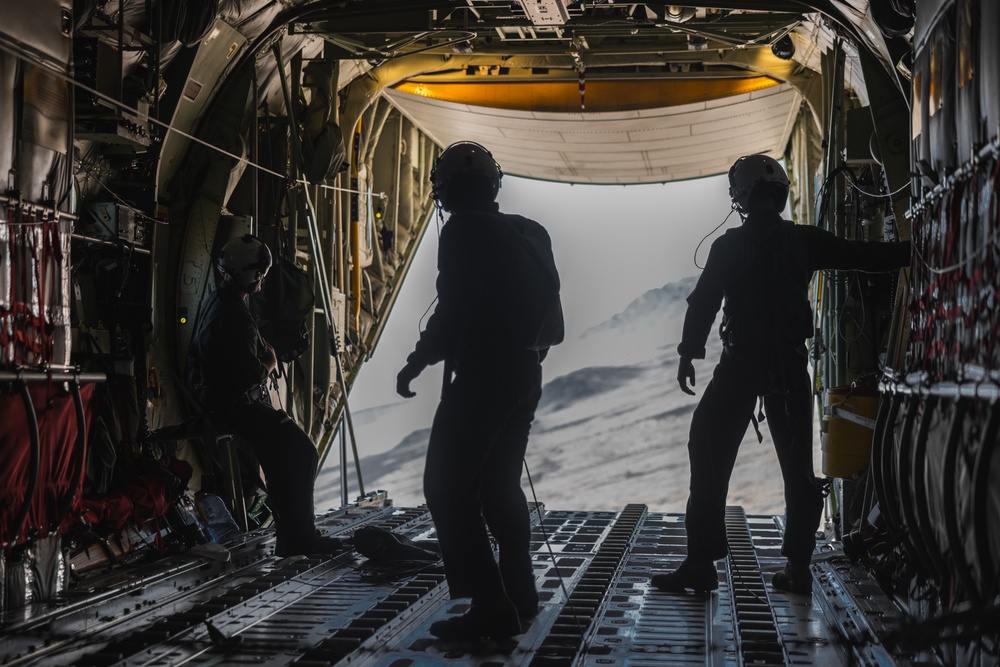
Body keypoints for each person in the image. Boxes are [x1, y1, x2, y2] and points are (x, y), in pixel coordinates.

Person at [651, 155, 910, 595]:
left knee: (708, 452)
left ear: (744, 195)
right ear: (781, 192)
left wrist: (689, 352)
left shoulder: (729, 246)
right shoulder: (804, 240)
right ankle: (798, 567)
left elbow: (704, 302)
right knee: (798, 470)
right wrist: (915, 249)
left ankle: (700, 563)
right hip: (788, 368)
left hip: (739, 368)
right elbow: (863, 256)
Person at [396, 142, 564, 641]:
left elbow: (455, 309)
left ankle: (491, 605)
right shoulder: (532, 231)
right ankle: (520, 591)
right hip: (524, 372)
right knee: (499, 486)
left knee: (446, 488)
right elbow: (546, 309)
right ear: (495, 185)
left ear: (443, 193)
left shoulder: (463, 230)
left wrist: (416, 362)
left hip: (484, 377)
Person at [188, 234, 341, 558]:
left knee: (280, 459)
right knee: (302, 454)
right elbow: (249, 375)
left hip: (215, 402)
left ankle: (293, 537)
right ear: (253, 275)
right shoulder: (237, 317)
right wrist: (269, 362)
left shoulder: (218, 303)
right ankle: (300, 538)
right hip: (236, 407)